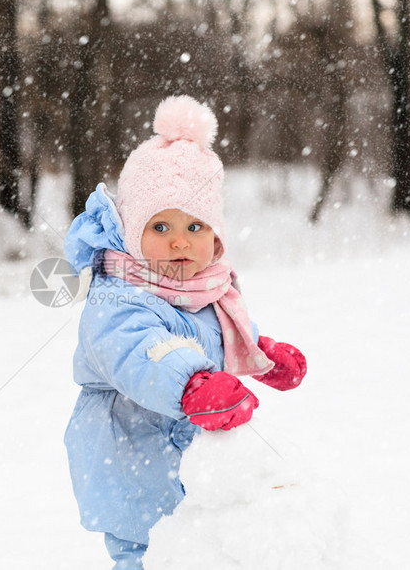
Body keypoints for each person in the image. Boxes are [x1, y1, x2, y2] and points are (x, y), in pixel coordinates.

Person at [63, 96, 307, 569]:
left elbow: (220, 333)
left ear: (215, 238)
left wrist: (262, 352)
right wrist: (191, 384)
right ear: (132, 233)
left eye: (195, 225)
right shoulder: (119, 296)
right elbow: (141, 350)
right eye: (160, 226)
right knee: (146, 555)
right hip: (131, 457)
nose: (179, 240)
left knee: (198, 551)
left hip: (194, 460)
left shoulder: (207, 290)